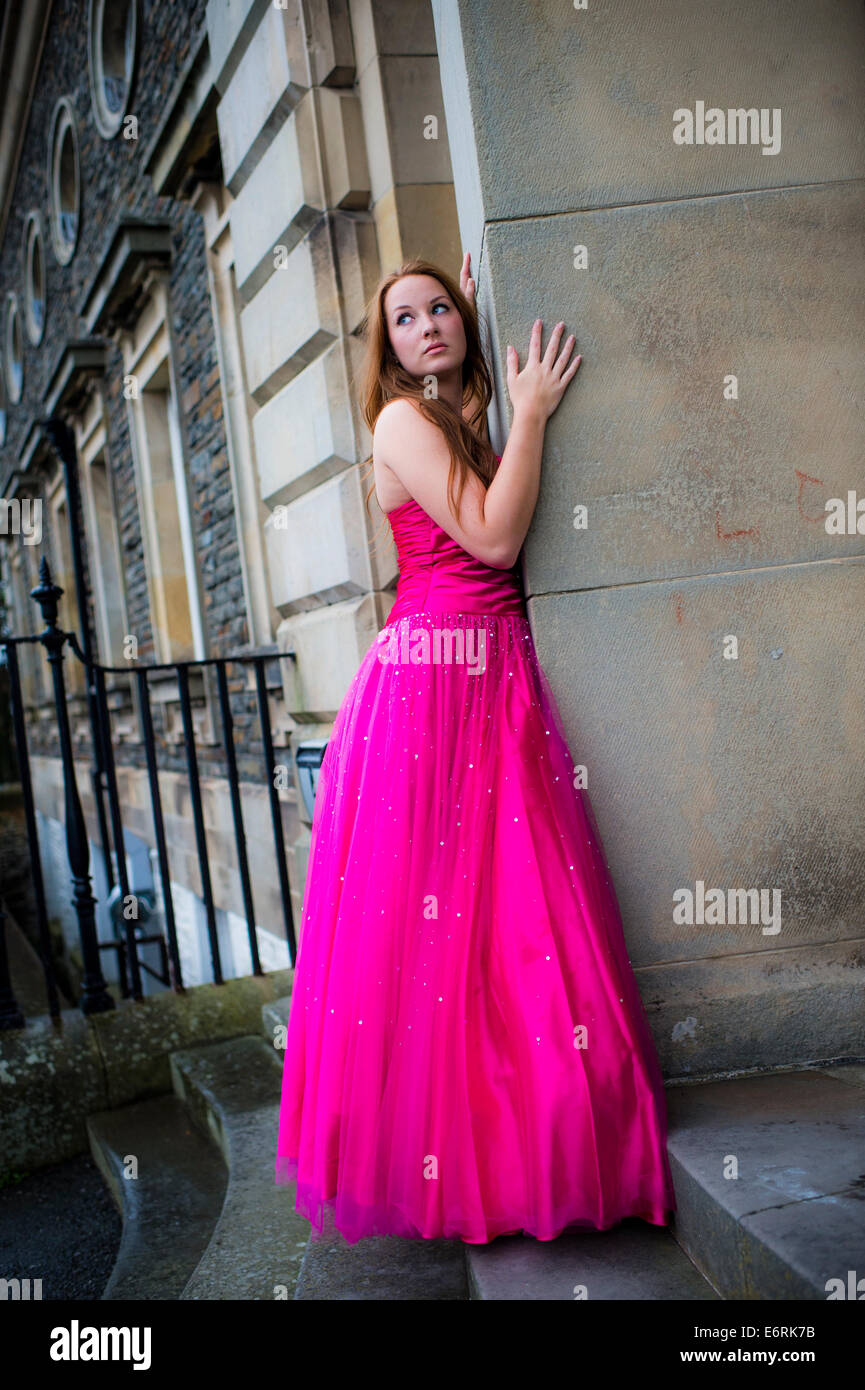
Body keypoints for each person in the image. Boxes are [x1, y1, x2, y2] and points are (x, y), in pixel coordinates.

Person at [274, 251, 676, 1245]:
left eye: (440, 309)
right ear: (387, 352)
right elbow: (494, 540)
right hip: (435, 688)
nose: (427, 327)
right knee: (447, 926)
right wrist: (532, 411)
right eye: (404, 320)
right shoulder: (403, 421)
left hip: (486, 677)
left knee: (496, 917)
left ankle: (513, 1151)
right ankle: (471, 1164)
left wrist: (479, 320)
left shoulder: (448, 414)